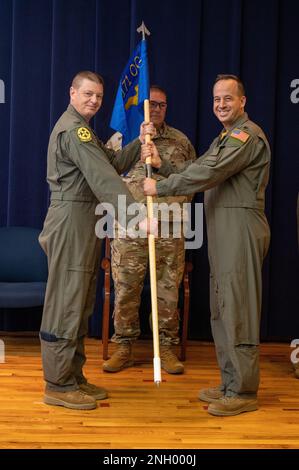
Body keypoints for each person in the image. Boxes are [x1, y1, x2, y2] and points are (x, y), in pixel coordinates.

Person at [142, 75, 271, 416]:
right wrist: (162, 165)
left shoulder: (246, 136)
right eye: (216, 99)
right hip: (224, 228)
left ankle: (243, 391)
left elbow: (208, 174)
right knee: (222, 307)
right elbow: (199, 167)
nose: (221, 104)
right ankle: (230, 382)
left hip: (240, 227)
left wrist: (161, 187)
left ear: (242, 101)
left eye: (228, 98)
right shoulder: (224, 137)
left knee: (238, 309)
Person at [39, 71, 153, 410]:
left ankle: (72, 376)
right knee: (67, 302)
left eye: (99, 96)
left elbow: (111, 163)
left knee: (81, 300)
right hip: (71, 219)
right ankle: (58, 384)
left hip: (84, 219)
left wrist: (138, 142)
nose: (94, 100)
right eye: (88, 94)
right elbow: (104, 178)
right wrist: (137, 216)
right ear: (72, 92)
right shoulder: (75, 131)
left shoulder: (84, 132)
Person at [103, 86, 196, 375]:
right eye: (150, 104)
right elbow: (105, 181)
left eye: (161, 105)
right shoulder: (120, 139)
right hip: (129, 229)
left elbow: (192, 182)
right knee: (126, 289)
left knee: (167, 291)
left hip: (168, 228)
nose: (155, 109)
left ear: (166, 108)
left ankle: (166, 346)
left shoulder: (180, 142)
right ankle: (124, 345)